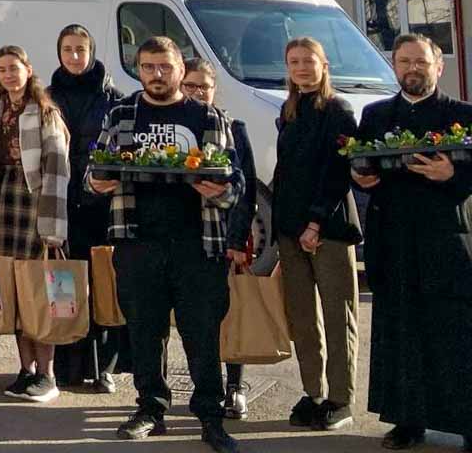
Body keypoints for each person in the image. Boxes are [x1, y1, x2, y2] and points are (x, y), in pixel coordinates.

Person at [88, 36, 244, 453]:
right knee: (144, 331)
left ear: (180, 69)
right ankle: (150, 409)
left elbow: (236, 185)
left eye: (165, 67)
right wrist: (97, 182)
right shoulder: (122, 113)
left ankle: (211, 417)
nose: (157, 75)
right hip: (138, 241)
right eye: (148, 67)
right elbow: (96, 169)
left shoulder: (208, 117)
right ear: (138, 70)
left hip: (197, 244)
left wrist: (218, 191)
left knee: (202, 334)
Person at [350, 33, 472, 451]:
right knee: (400, 333)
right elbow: (362, 168)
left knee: (454, 333)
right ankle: (407, 420)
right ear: (395, 66)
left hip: (445, 241)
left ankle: (466, 422)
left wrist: (453, 176)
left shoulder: (463, 115)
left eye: (421, 61)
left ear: (439, 66)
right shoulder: (376, 115)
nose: (412, 69)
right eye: (404, 61)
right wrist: (360, 177)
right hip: (394, 239)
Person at [270, 36, 359, 432]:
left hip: (327, 229)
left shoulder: (338, 110)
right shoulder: (289, 110)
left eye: (309, 61)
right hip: (290, 231)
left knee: (338, 317)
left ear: (324, 65)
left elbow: (338, 173)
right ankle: (314, 393)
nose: (302, 68)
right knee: (302, 318)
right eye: (294, 62)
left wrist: (315, 223)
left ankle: (341, 399)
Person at [0, 43, 71, 403]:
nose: (7, 74)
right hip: (2, 201)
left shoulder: (45, 112)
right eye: (1, 69)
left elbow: (57, 171)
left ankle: (48, 374)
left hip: (35, 203)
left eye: (13, 68)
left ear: (28, 69)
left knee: (40, 291)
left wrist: (52, 228)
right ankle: (25, 369)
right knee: (15, 292)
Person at [47, 24, 127, 393]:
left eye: (81, 49)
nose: (75, 56)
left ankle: (105, 367)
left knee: (103, 284)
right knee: (66, 284)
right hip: (61, 204)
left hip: (102, 205)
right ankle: (68, 364)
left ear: (92, 51)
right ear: (59, 53)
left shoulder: (114, 98)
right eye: (68, 49)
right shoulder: (47, 96)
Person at [180, 60, 259, 419]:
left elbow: (247, 190)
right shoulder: (176, 132)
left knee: (231, 313)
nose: (197, 93)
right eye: (190, 86)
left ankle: (235, 386)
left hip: (224, 235)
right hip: (186, 236)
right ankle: (204, 386)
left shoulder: (233, 128)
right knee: (198, 320)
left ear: (215, 90)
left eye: (203, 87)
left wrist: (237, 240)